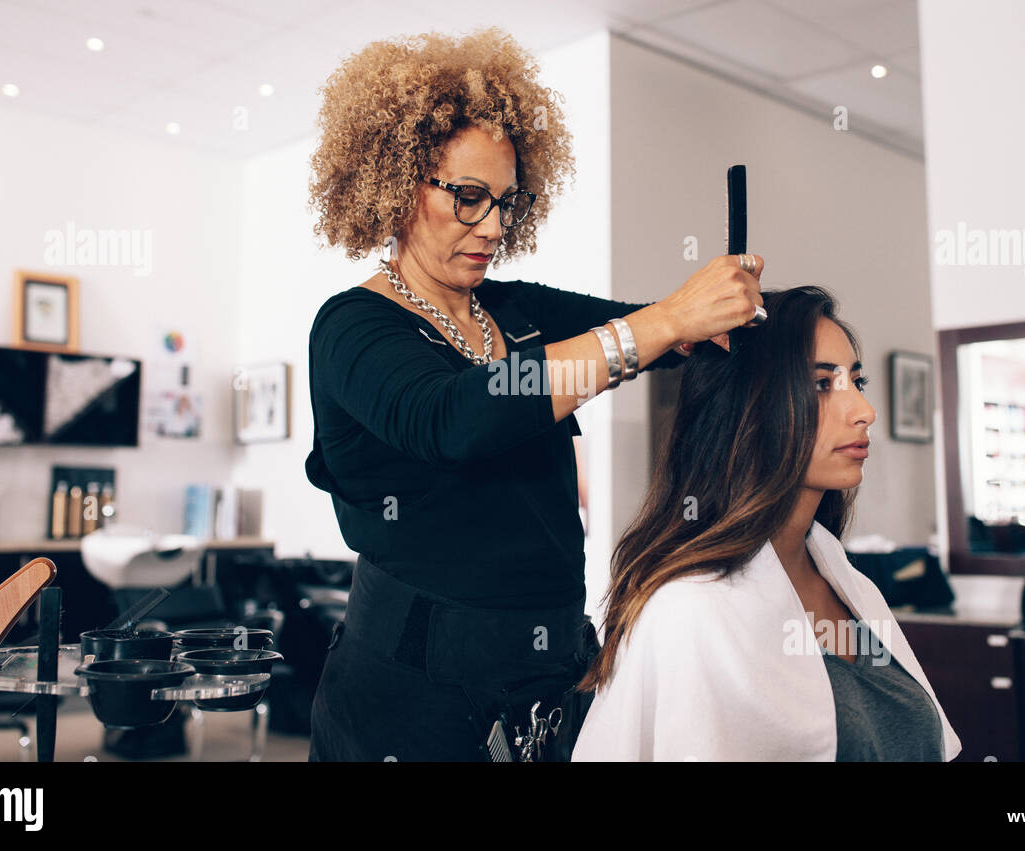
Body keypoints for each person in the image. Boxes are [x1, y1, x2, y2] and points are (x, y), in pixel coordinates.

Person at [303, 28, 766, 761]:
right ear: (395, 184)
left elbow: (655, 336)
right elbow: (459, 416)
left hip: (546, 674)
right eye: (467, 198)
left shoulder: (514, 310)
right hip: (410, 693)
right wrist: (667, 319)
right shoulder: (353, 329)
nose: (492, 227)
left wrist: (710, 317)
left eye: (506, 203)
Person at [571, 286, 962, 761]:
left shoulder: (854, 588)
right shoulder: (690, 610)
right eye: (822, 385)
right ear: (748, 408)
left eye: (856, 383)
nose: (864, 412)